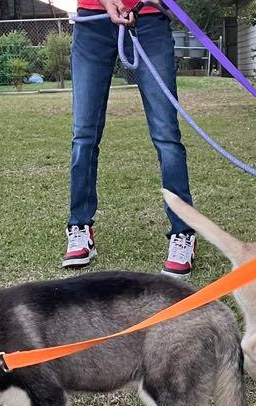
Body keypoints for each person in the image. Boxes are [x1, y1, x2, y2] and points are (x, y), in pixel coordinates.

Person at [65, 0, 196, 277]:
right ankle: (80, 227)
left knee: (166, 135)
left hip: (148, 18)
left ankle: (183, 232)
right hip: (92, 22)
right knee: (84, 135)